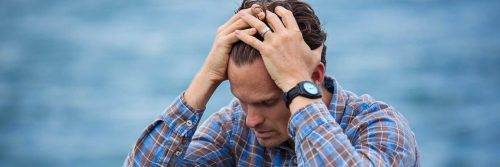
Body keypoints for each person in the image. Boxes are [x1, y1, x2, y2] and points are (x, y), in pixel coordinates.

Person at [124, 0, 419, 166]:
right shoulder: (234, 128)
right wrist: (206, 79)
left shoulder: (380, 127)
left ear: (315, 77)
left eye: (267, 102)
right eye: (241, 99)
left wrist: (296, 84)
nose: (251, 119)